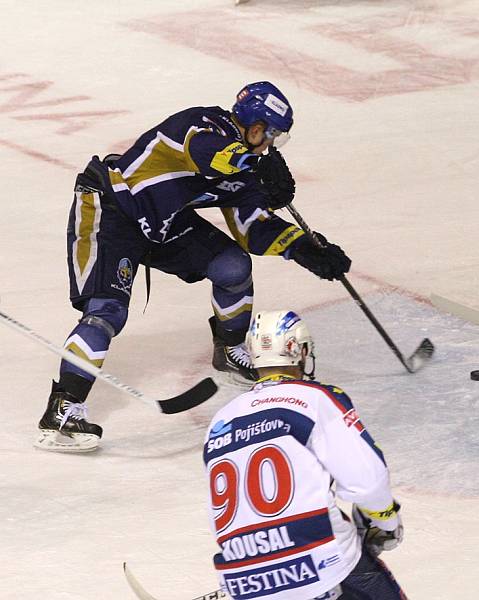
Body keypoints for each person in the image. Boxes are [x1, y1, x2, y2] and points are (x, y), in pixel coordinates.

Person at [35, 82, 351, 453]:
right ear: (253, 125)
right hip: (113, 209)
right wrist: (255, 169)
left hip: (163, 222)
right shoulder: (202, 125)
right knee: (106, 313)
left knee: (232, 266)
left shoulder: (246, 169)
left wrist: (305, 249)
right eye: (270, 134)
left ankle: (230, 349)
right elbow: (206, 154)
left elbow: (252, 228)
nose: (270, 144)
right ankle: (62, 410)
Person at [203, 310, 406, 600]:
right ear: (300, 350)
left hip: (242, 577)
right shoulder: (314, 398)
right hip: (322, 564)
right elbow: (367, 482)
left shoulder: (221, 419)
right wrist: (385, 521)